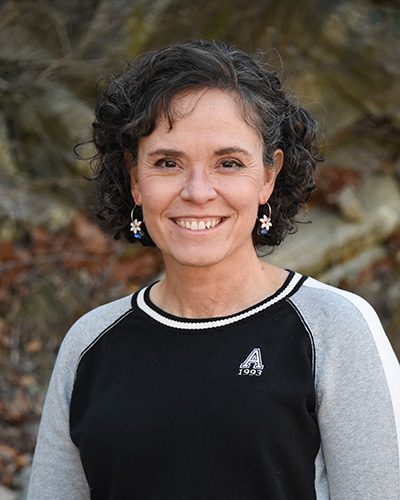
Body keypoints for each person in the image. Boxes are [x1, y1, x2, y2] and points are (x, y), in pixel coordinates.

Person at [27, 39, 399, 500]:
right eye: (167, 163)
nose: (198, 191)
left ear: (268, 175)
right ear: (134, 177)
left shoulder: (335, 329)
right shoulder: (90, 344)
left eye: (228, 163)